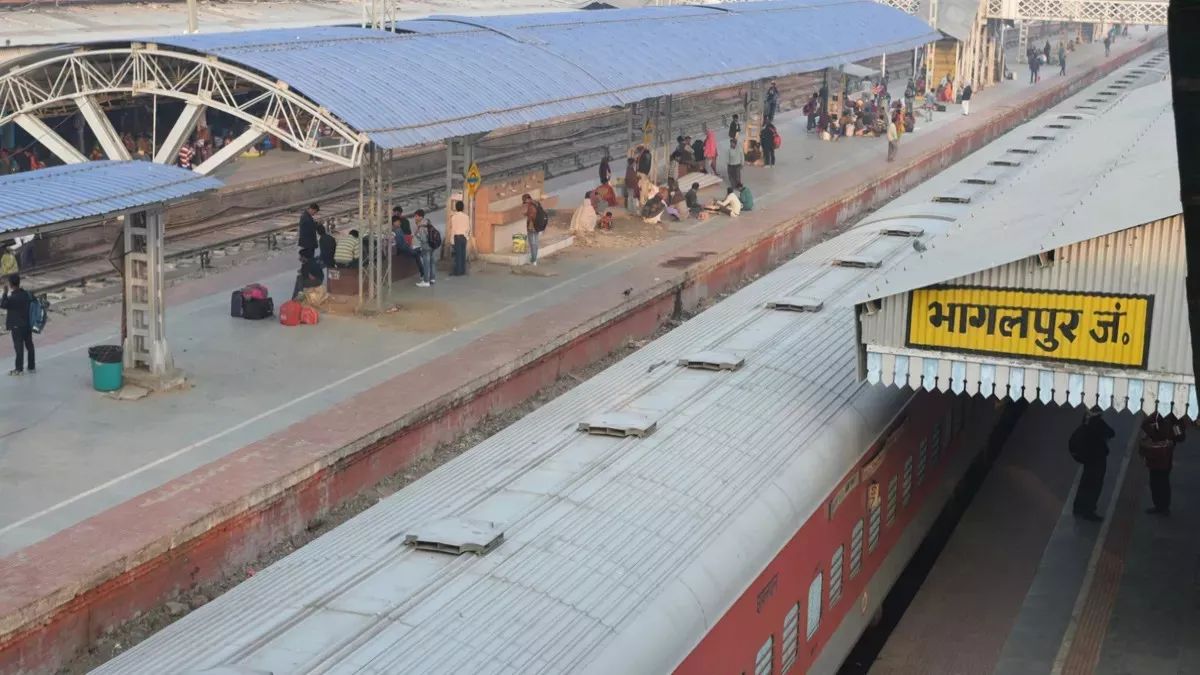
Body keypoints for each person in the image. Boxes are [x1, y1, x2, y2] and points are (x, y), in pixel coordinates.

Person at [1068, 407, 1115, 521]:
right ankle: (1089, 511)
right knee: (1094, 486)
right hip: (1097, 458)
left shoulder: (1085, 422)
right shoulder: (1097, 423)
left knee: (1085, 483)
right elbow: (1111, 433)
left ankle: (1078, 507)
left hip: (1088, 459)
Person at [1138, 412, 1186, 515]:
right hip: (1156, 452)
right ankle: (1159, 506)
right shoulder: (1157, 416)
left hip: (1164, 453)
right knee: (1155, 481)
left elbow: (1180, 436)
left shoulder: (1174, 419)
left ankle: (1163, 507)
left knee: (1162, 481)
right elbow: (1146, 425)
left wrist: (1170, 434)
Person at [2, 274, 34, 375]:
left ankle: (19, 369)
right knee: (29, 346)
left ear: (11, 284)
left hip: (17, 326)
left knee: (18, 347)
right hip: (27, 324)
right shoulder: (26, 294)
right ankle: (31, 366)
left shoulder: (12, 298)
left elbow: (2, 304)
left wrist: (5, 293)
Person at [392, 212, 424, 279]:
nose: (400, 223)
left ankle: (423, 272)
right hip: (404, 249)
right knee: (417, 254)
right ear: (394, 223)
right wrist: (409, 247)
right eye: (398, 222)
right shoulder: (397, 231)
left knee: (419, 251)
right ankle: (423, 273)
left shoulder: (399, 229)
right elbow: (401, 245)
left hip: (406, 247)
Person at [413, 209, 437, 286]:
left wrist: (416, 233)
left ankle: (426, 281)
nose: (415, 218)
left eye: (416, 216)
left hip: (426, 246)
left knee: (426, 264)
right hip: (432, 244)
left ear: (420, 217)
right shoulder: (428, 222)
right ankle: (432, 279)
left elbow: (423, 238)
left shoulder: (421, 225)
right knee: (432, 262)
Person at [448, 200, 470, 276]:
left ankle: (458, 271)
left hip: (457, 237)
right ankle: (463, 270)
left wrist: (451, 240)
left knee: (457, 255)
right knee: (463, 254)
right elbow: (468, 228)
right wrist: (466, 236)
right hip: (464, 237)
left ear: (456, 208)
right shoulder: (466, 217)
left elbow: (453, 229)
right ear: (463, 208)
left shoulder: (454, 217)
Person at [521, 194, 542, 266]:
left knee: (532, 243)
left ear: (527, 199)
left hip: (532, 226)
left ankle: (533, 260)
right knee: (536, 242)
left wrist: (526, 214)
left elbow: (531, 215)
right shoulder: (537, 203)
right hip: (538, 225)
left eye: (525, 202)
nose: (525, 203)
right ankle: (535, 259)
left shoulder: (531, 206)